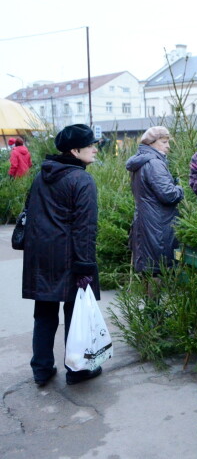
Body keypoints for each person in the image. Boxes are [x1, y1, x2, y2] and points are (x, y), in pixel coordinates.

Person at [22, 124, 103, 386]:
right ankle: (78, 370)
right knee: (74, 313)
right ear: (75, 150)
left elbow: (31, 216)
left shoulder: (41, 176)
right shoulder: (81, 179)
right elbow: (85, 228)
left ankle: (42, 369)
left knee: (44, 313)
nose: (95, 149)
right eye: (90, 145)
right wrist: (85, 265)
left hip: (41, 257)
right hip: (69, 258)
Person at [126, 126, 184, 274]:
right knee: (157, 268)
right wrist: (179, 188)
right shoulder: (155, 163)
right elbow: (168, 195)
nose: (168, 146)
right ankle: (153, 298)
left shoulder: (141, 162)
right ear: (152, 143)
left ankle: (149, 298)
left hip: (146, 222)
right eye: (164, 142)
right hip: (158, 224)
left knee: (149, 267)